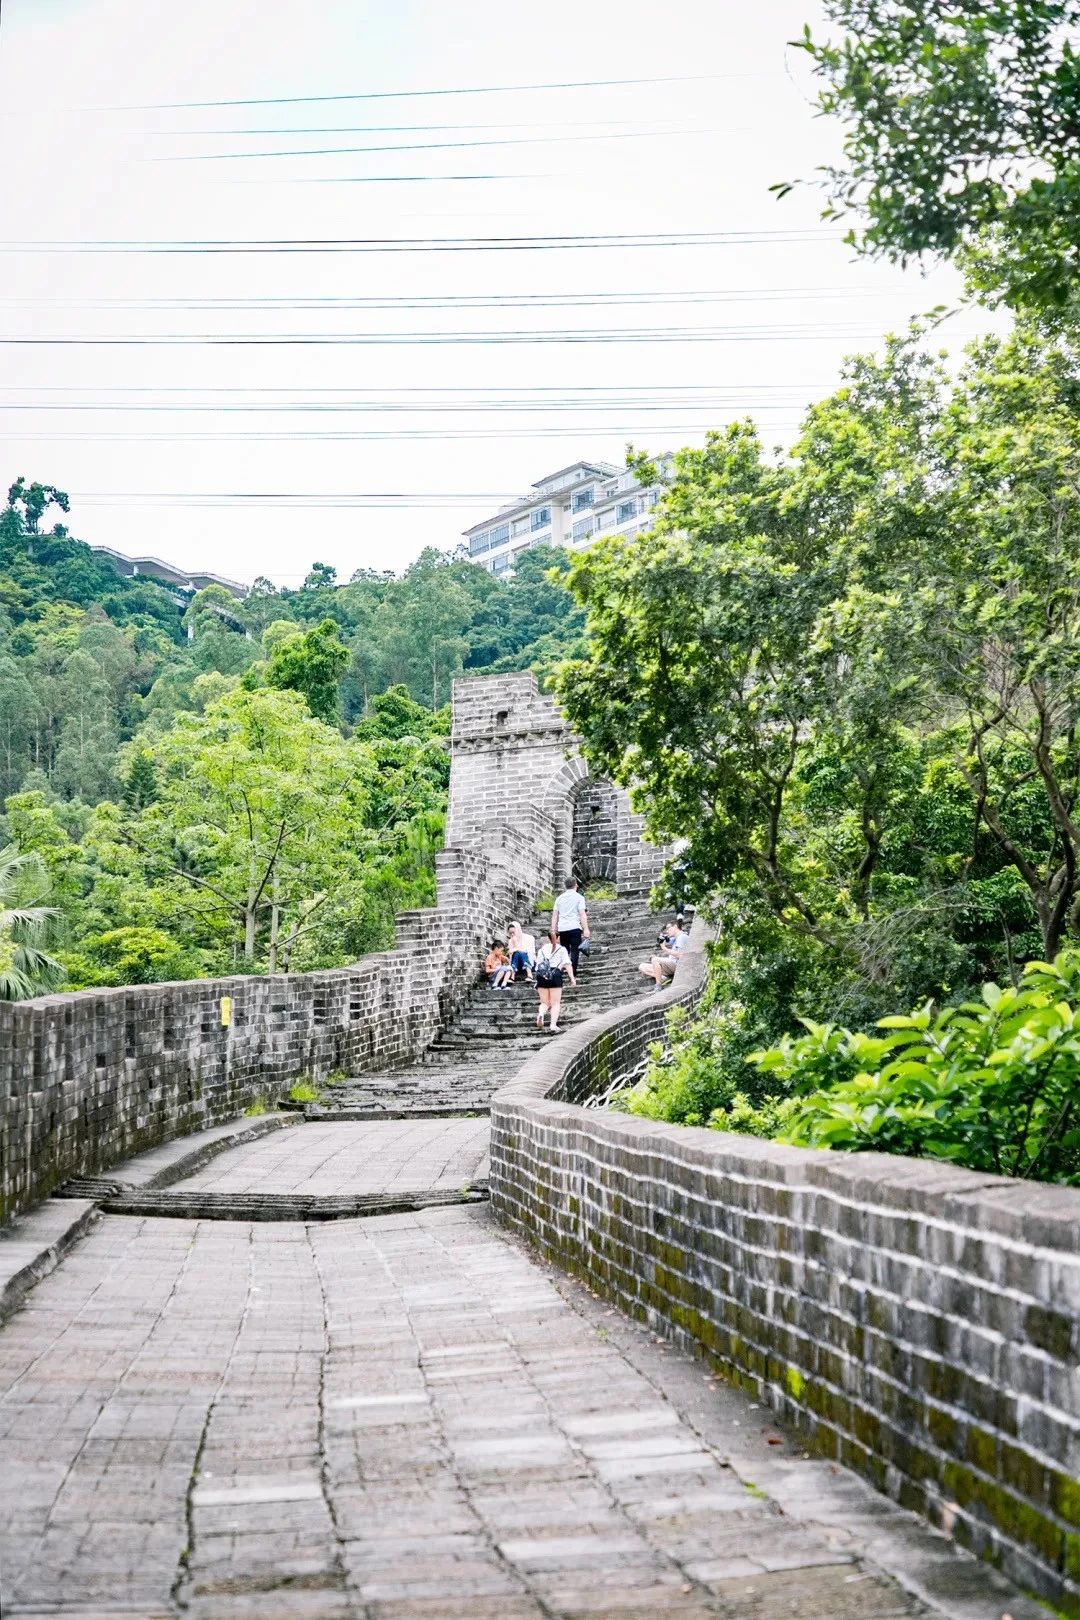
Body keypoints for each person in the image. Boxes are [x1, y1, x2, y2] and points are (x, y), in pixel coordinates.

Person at [534, 931, 575, 1032]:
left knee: (544, 1002)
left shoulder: (542, 950)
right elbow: (567, 964)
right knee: (555, 1003)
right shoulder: (561, 949)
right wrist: (572, 978)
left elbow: (537, 966)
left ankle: (541, 1014)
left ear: (548, 938)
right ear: (558, 938)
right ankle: (553, 1025)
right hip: (555, 974)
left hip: (542, 975)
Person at [551, 877, 590, 974]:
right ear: (575, 885)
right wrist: (586, 929)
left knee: (564, 950)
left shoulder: (559, 899)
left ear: (565, 886)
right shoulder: (579, 898)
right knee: (574, 950)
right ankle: (572, 971)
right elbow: (582, 914)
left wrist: (553, 929)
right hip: (574, 927)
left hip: (563, 928)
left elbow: (555, 915)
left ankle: (560, 969)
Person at [638, 919, 690, 987]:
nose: (667, 931)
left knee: (655, 960)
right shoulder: (675, 938)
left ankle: (658, 985)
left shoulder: (682, 937)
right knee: (642, 966)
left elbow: (681, 955)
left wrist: (664, 948)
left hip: (678, 965)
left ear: (675, 926)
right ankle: (664, 977)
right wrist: (663, 937)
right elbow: (663, 940)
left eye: (668, 928)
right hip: (671, 964)